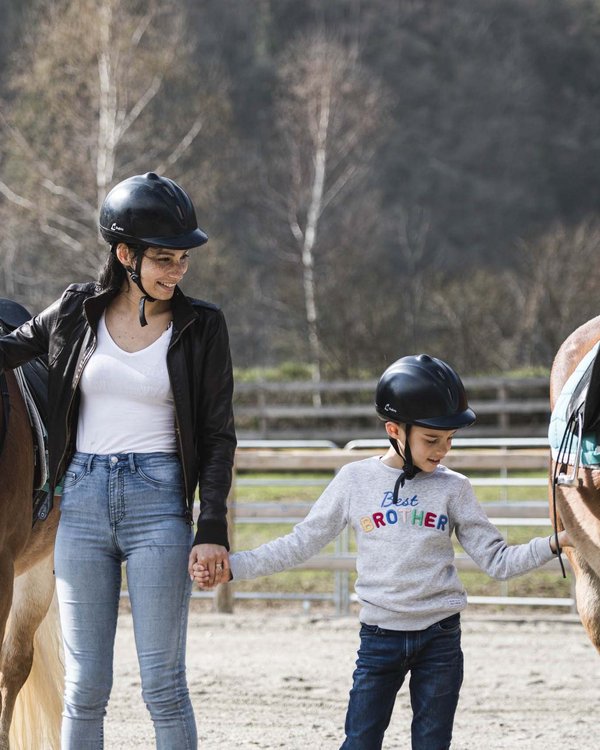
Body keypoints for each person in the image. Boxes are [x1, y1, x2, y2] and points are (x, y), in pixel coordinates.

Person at [193, 354, 572, 750]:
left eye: (449, 440)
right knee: (359, 742)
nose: (443, 450)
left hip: (440, 640)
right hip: (379, 640)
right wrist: (232, 568)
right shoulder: (355, 481)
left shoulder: (454, 488)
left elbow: (498, 562)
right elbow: (299, 543)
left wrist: (555, 543)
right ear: (394, 429)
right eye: (431, 439)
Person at [0, 172, 236, 749]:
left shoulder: (202, 327)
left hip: (158, 505)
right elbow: (9, 348)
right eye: (163, 258)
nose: (176, 270)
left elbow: (216, 435)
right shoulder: (76, 311)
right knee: (85, 686)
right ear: (124, 253)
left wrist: (211, 528)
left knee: (163, 684)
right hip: (79, 504)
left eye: (182, 259)